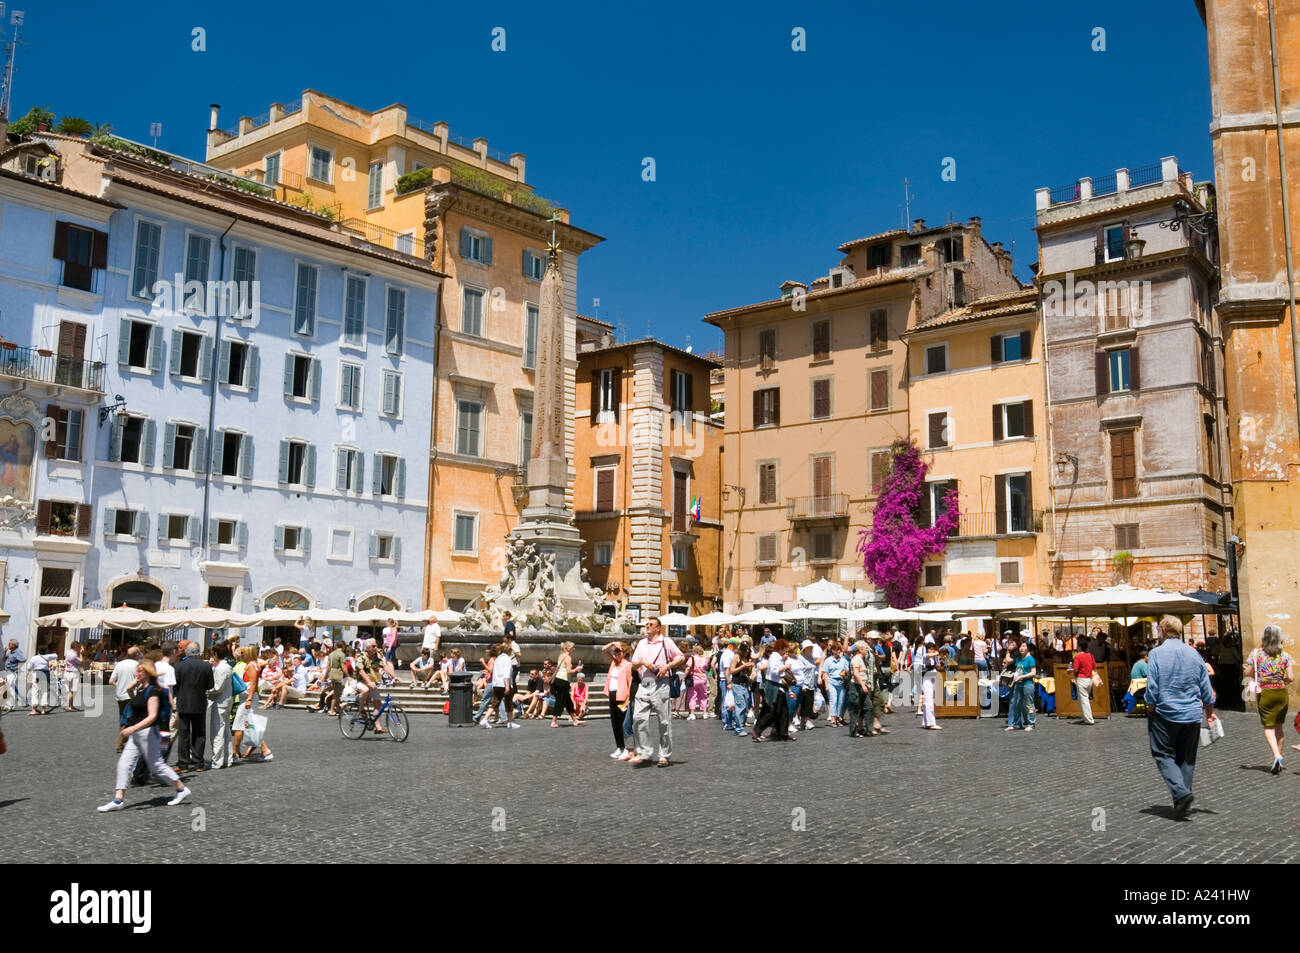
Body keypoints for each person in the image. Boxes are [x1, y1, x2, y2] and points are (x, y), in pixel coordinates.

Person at [1145, 616, 1218, 819]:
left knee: (1163, 754)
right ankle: (1182, 801)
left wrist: (1150, 705)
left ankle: (1182, 793)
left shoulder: (1156, 654)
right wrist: (1209, 713)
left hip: (1165, 713)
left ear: (1163, 631)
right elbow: (1205, 687)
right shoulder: (1194, 654)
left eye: (1158, 629)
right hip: (1192, 714)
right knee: (1186, 758)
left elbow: (1152, 686)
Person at [98, 660, 191, 811]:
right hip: (137, 734)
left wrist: (132, 728)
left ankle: (181, 789)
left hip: (148, 733)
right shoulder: (141, 689)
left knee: (157, 766)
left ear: (147, 673)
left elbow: (152, 716)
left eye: (140, 671)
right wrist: (135, 682)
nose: (136, 674)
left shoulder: (153, 691)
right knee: (124, 764)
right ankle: (118, 800)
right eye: (137, 671)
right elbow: (130, 695)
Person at [628, 617, 685, 765]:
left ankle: (664, 755)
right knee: (638, 718)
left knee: (664, 721)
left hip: (661, 684)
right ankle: (645, 752)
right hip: (644, 684)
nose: (647, 626)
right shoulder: (641, 643)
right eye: (647, 624)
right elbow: (633, 665)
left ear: (658, 628)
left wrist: (667, 667)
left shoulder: (666, 642)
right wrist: (642, 662)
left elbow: (681, 657)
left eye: (651, 624)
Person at [1242, 624, 1294, 774]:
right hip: (1281, 692)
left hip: (1265, 692)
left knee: (1268, 727)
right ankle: (1277, 759)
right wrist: (1282, 682)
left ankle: (1277, 756)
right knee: (1279, 727)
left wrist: (1247, 670)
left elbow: (1248, 673)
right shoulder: (1285, 656)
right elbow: (1291, 677)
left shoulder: (1256, 654)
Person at [172, 642, 213, 771]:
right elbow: (210, 685)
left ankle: (183, 764)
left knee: (183, 734)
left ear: (187, 652)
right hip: (199, 702)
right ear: (198, 652)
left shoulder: (178, 666)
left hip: (183, 702)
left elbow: (175, 686)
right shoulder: (206, 666)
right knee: (199, 733)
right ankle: (198, 763)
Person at [232, 646, 273, 763]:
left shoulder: (251, 665)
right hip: (248, 697)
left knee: (239, 725)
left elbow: (253, 683)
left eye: (244, 653)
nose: (241, 655)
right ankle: (264, 750)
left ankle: (235, 752)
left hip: (247, 698)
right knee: (249, 725)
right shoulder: (254, 664)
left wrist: (249, 699)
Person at [752, 639, 793, 742]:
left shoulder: (777, 657)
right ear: (780, 648)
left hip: (778, 685)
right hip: (773, 686)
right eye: (785, 649)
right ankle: (757, 730)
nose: (786, 651)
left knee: (783, 711)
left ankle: (783, 734)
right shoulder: (775, 656)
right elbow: (774, 671)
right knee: (771, 710)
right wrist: (785, 667)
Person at [205, 643, 235, 769]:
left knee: (217, 732)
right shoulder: (227, 667)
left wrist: (205, 691)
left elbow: (217, 688)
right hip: (227, 701)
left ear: (216, 654)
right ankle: (228, 759)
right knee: (226, 731)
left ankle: (217, 761)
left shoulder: (221, 668)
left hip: (220, 702)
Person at [479, 639, 519, 729]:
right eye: (511, 650)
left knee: (495, 703)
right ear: (508, 651)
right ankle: (510, 722)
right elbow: (506, 674)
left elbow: (494, 672)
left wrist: (494, 684)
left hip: (496, 684)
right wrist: (507, 686)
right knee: (509, 703)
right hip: (504, 684)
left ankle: (485, 719)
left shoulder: (498, 659)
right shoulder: (507, 660)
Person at [604, 642, 633, 758]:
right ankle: (619, 747)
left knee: (622, 723)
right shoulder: (613, 663)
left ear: (624, 653)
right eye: (614, 651)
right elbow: (604, 650)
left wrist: (629, 698)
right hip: (611, 694)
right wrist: (612, 643)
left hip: (622, 696)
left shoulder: (627, 665)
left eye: (618, 651)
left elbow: (630, 682)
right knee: (614, 722)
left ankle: (626, 748)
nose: (615, 653)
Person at [108, 646, 141, 738]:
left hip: (120, 695)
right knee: (132, 718)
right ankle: (123, 742)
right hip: (132, 695)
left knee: (122, 717)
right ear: (137, 654)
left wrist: (118, 686)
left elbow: (111, 681)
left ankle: (123, 740)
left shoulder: (120, 664)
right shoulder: (137, 665)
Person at [1005, 640, 1037, 732]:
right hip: (1018, 684)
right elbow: (1018, 670)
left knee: (1029, 704)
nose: (1021, 648)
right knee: (1017, 704)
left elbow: (1033, 673)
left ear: (1028, 649)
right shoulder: (1018, 659)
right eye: (1020, 646)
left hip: (1028, 684)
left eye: (1024, 646)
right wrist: (1014, 677)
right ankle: (1015, 723)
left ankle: (1031, 723)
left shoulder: (1030, 659)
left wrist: (1022, 676)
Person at [550, 640, 582, 728]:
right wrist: (576, 669)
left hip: (558, 680)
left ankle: (575, 720)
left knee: (568, 702)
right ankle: (553, 721)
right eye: (572, 648)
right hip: (563, 681)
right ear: (568, 648)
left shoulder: (561, 655)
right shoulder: (568, 657)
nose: (574, 649)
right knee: (560, 701)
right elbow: (568, 671)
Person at [727, 642, 755, 737]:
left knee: (746, 705)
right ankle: (739, 728)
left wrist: (751, 669)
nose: (747, 651)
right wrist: (743, 666)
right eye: (745, 649)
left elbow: (750, 672)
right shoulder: (736, 657)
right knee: (740, 705)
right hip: (737, 684)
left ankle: (740, 724)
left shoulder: (747, 658)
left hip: (745, 684)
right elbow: (732, 670)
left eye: (748, 649)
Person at [821, 641, 849, 727]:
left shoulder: (843, 660)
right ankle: (833, 719)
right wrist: (826, 686)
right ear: (833, 650)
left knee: (840, 701)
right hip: (831, 681)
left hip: (841, 682)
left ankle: (837, 718)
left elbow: (847, 670)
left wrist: (843, 673)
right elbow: (825, 673)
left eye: (839, 650)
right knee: (833, 700)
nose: (839, 651)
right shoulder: (828, 661)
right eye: (837, 650)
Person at [1071, 645, 1097, 725]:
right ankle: (1085, 717)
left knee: (1084, 699)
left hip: (1081, 679)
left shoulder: (1078, 657)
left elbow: (1075, 669)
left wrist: (1073, 673)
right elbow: (1094, 666)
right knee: (1082, 699)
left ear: (1079, 648)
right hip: (1089, 679)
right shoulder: (1090, 655)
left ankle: (1089, 719)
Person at [25, 650, 56, 715]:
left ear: (38, 652)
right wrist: (48, 655)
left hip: (37, 673)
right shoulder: (47, 656)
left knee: (35, 691)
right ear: (46, 651)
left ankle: (33, 710)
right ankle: (43, 710)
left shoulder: (34, 658)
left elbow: (29, 667)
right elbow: (55, 655)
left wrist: (33, 667)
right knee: (44, 691)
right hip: (45, 674)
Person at [685, 643, 709, 719]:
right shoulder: (705, 659)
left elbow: (688, 668)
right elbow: (706, 668)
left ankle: (692, 713)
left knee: (692, 696)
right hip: (703, 679)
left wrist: (685, 676)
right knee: (703, 696)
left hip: (694, 679)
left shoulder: (692, 658)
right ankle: (705, 713)